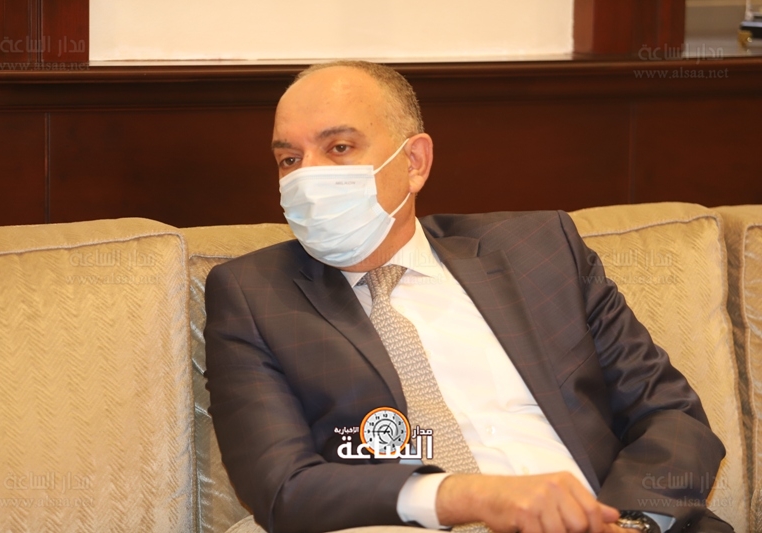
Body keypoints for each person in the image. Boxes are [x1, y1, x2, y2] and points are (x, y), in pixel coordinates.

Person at [204, 61, 731, 533]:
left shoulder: (540, 251)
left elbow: (671, 415)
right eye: (289, 159)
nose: (308, 176)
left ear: (414, 161)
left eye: (339, 148)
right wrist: (468, 496)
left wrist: (630, 523)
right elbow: (283, 487)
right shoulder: (253, 296)